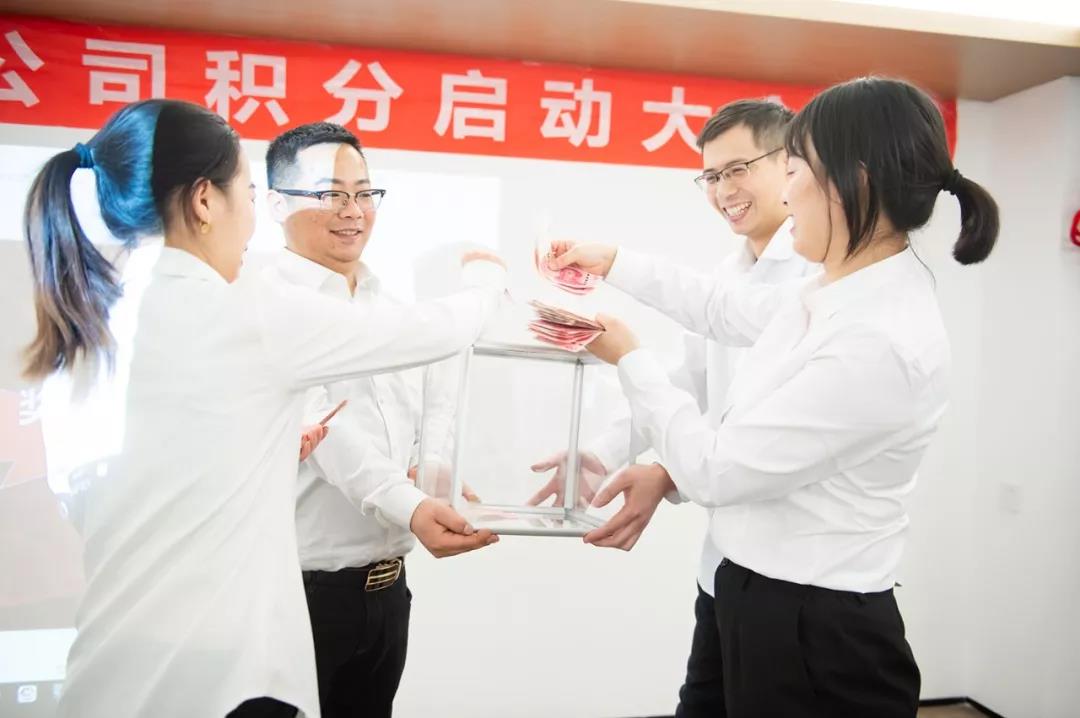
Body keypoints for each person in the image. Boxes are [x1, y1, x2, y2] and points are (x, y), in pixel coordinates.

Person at [27, 99, 504, 718]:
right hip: (220, 667)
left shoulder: (88, 322)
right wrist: (488, 281)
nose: (250, 221)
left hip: (118, 660)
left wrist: (261, 454)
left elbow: (98, 496)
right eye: (247, 194)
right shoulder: (247, 309)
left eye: (363, 193)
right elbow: (435, 331)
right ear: (205, 201)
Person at [556, 77, 998, 717]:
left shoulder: (879, 339)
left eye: (792, 171)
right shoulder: (831, 290)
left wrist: (629, 356)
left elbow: (718, 469)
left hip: (815, 625)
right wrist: (614, 261)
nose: (787, 195)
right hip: (755, 590)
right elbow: (720, 310)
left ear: (854, 182)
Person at [529, 100, 815, 717]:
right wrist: (602, 451)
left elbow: (763, 442)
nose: (723, 190)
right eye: (710, 176)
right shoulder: (731, 271)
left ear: (790, 163)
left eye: (737, 169)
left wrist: (665, 471)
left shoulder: (814, 278)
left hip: (795, 578)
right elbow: (688, 382)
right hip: (725, 569)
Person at [262, 122, 491, 718]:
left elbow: (429, 401)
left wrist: (430, 469)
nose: (353, 210)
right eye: (331, 193)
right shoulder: (264, 301)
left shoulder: (386, 307)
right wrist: (411, 506)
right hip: (295, 594)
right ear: (277, 204)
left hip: (387, 590)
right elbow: (324, 433)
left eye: (364, 193)